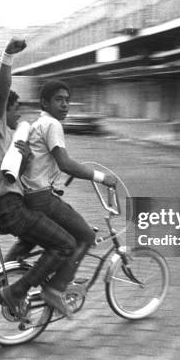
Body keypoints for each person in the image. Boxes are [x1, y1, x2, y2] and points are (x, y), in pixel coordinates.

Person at [0, 38, 76, 319]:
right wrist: (7, 55)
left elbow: (9, 177)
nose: (19, 114)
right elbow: (3, 90)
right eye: (15, 108)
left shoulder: (2, 140)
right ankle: (18, 291)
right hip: (9, 209)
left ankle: (2, 284)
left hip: (5, 207)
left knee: (38, 234)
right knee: (65, 243)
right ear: (1, 109)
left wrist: (27, 162)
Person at [20, 79, 117, 308]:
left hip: (32, 194)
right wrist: (103, 177)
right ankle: (56, 288)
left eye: (67, 100)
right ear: (44, 102)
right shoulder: (53, 125)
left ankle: (54, 276)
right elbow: (65, 163)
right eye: (58, 100)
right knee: (86, 236)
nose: (64, 105)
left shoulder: (39, 124)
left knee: (66, 235)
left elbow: (46, 162)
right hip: (42, 198)